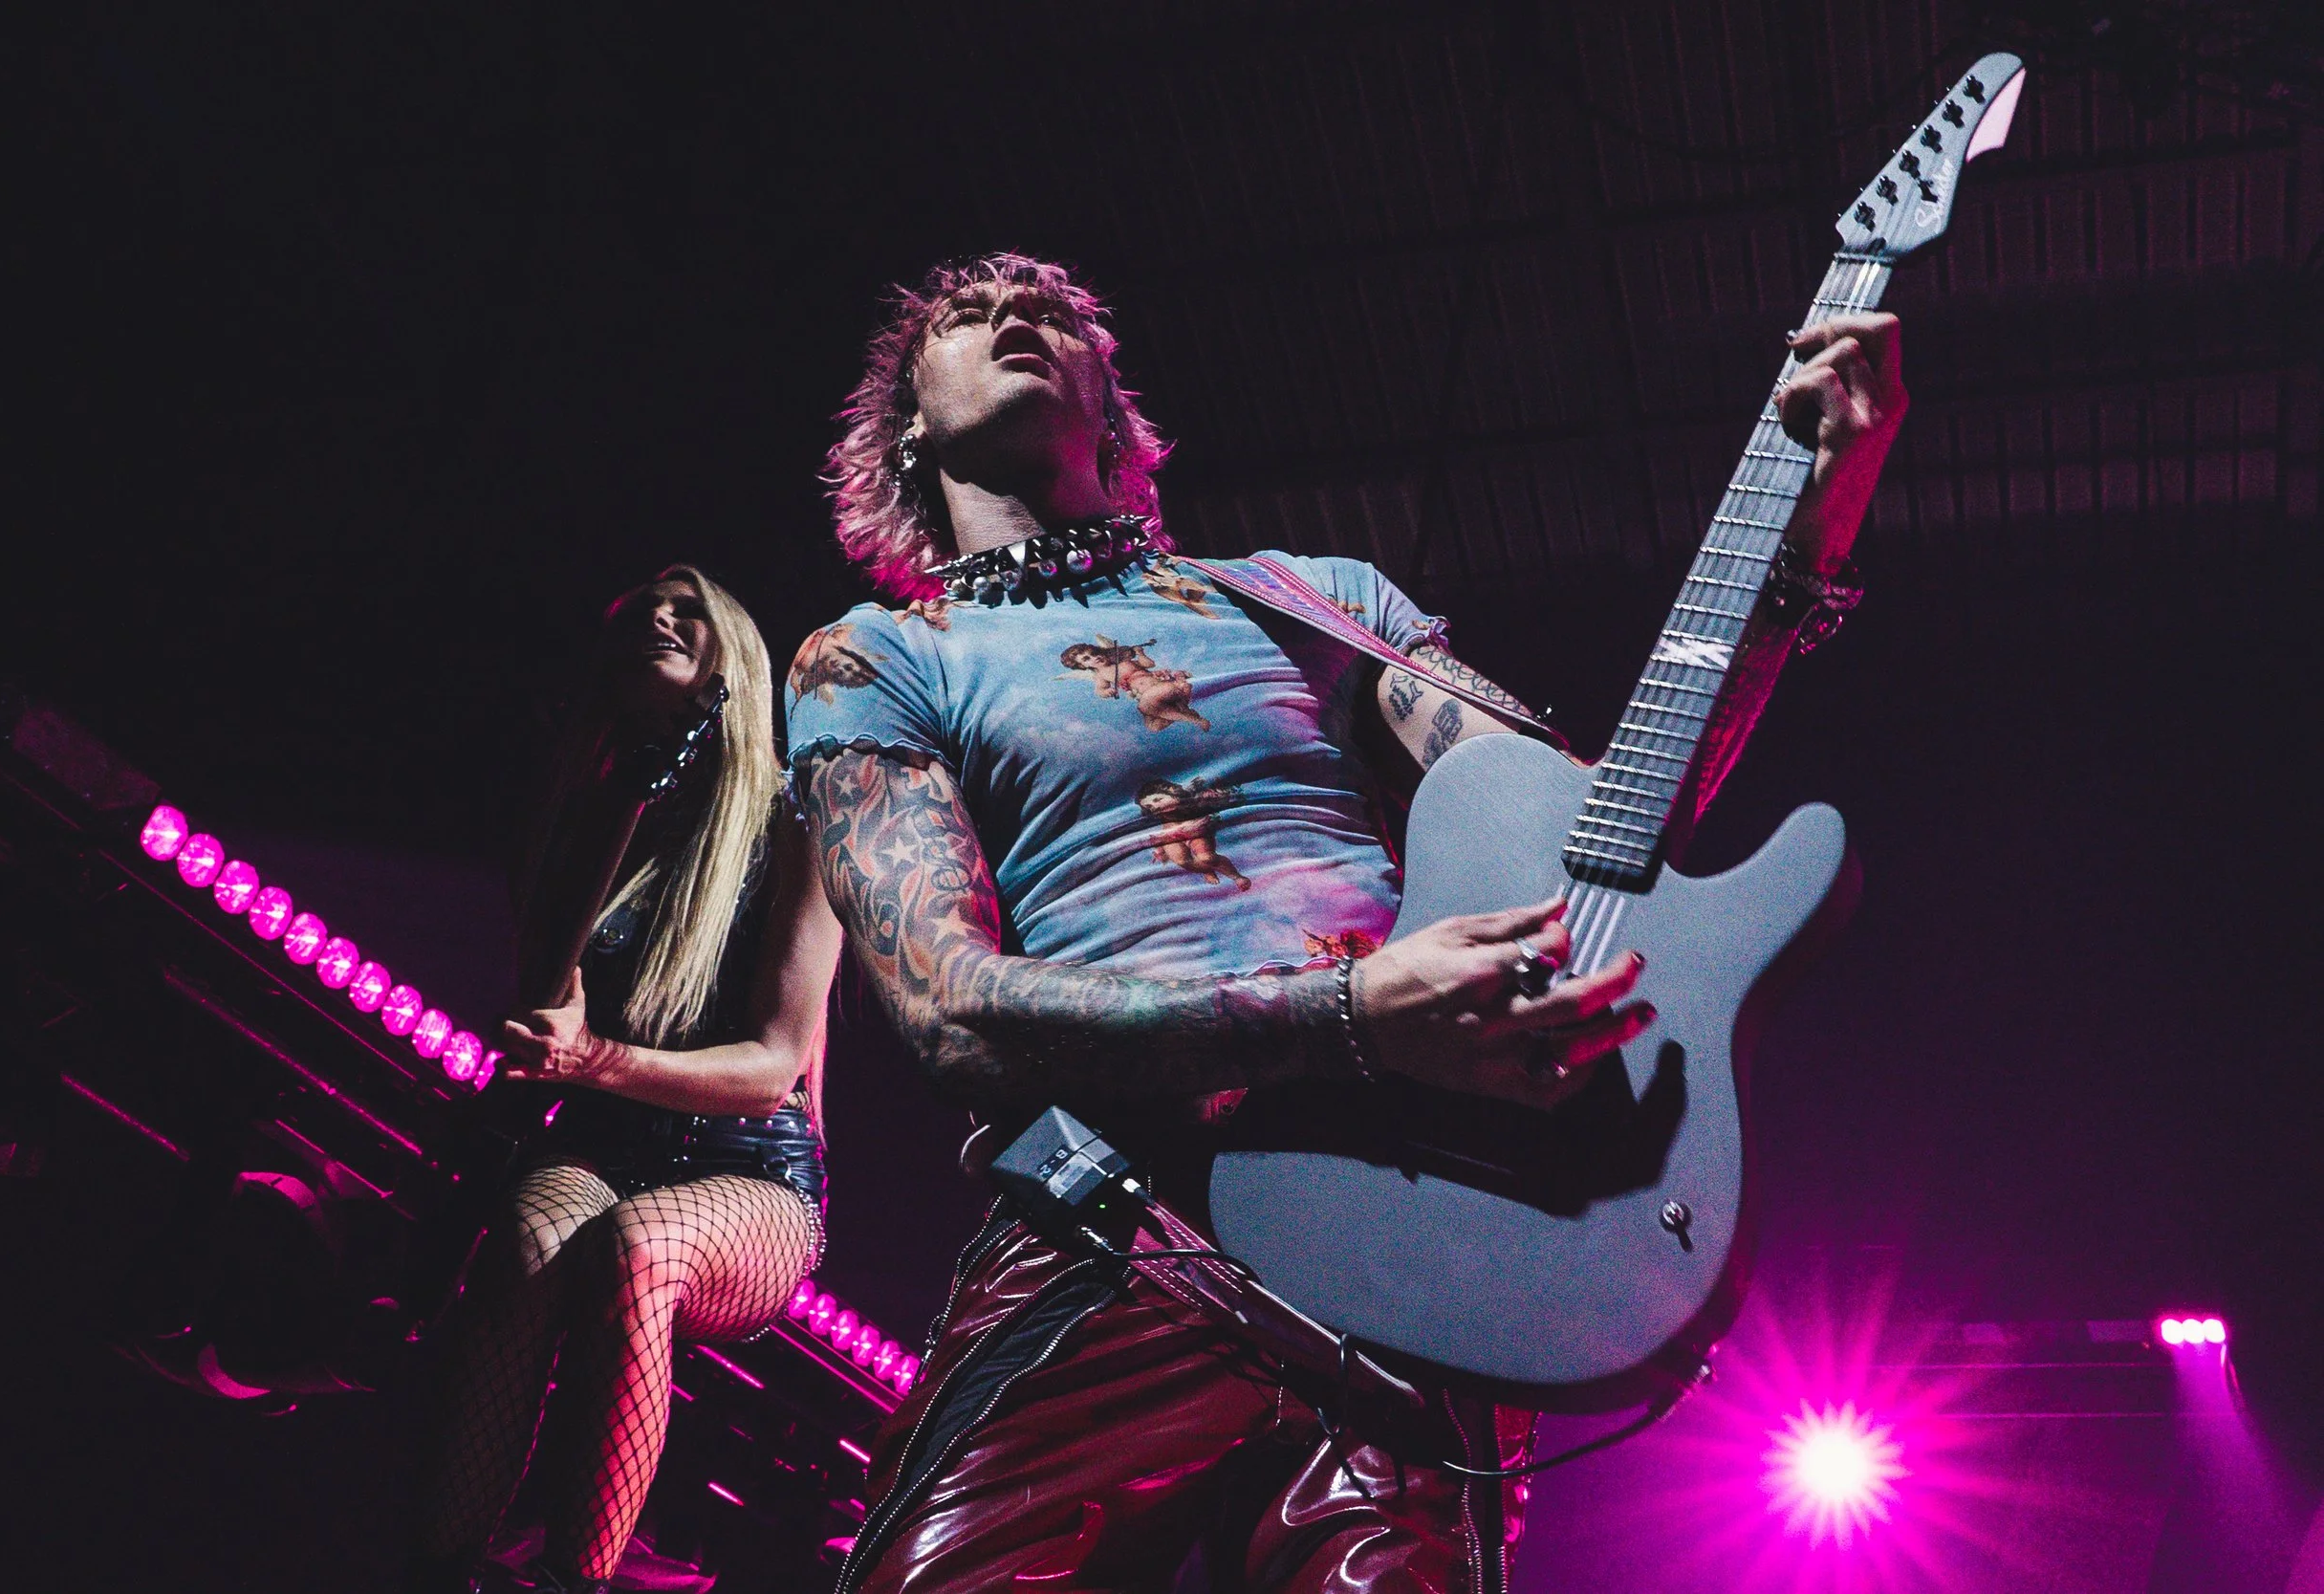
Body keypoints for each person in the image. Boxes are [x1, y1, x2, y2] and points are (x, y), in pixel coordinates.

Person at [787, 254, 1904, 1592]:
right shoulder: (879, 659)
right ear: (907, 422)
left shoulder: (1303, 596)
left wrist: (1809, 519)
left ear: (1112, 401)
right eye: (966, 317)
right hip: (1123, 1228)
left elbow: (1603, 835)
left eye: (1063, 314)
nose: (1017, 318)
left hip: (1412, 1235)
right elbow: (951, 1008)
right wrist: (1353, 1015)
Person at [409, 566, 844, 1594]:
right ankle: (433, 1570)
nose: (657, 613)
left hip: (757, 1173)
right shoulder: (593, 820)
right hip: (600, 1144)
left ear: (728, 655)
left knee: (644, 1248)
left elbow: (772, 1068)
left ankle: (577, 1580)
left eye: (685, 604)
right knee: (527, 1237)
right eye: (641, 607)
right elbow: (541, 1015)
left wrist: (594, 1057)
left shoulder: (806, 818)